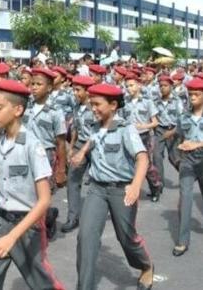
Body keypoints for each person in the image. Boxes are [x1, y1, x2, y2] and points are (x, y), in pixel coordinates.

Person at [0, 79, 65, 290]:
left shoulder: (32, 146)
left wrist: (13, 237)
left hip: (28, 226)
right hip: (0, 221)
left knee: (41, 282)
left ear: (18, 110)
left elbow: (44, 200)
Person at [73, 83, 154, 290]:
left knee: (126, 237)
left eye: (98, 104)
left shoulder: (126, 129)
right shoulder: (94, 126)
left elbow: (142, 158)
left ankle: (145, 265)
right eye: (91, 104)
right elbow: (93, 140)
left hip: (122, 189)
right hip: (97, 189)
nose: (93, 108)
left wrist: (136, 186)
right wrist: (82, 152)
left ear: (113, 105)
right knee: (86, 237)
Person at [24, 67, 66, 239]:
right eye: (32, 83)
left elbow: (61, 142)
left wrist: (61, 169)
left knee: (43, 192)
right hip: (27, 154)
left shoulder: (55, 112)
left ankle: (43, 224)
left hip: (46, 156)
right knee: (29, 191)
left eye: (39, 84)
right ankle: (46, 217)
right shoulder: (26, 107)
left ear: (49, 88)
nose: (34, 87)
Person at [173, 78, 203, 256]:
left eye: (197, 94)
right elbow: (180, 135)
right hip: (188, 161)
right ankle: (183, 241)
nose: (192, 97)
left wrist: (198, 144)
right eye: (190, 94)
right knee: (185, 198)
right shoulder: (183, 116)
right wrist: (182, 146)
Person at [62, 75, 95, 234]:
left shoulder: (95, 106)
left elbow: (98, 132)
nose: (74, 93)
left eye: (78, 90)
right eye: (74, 89)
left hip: (96, 147)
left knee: (100, 183)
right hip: (80, 144)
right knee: (73, 180)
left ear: (88, 91)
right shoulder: (76, 106)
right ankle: (73, 217)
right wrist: (72, 147)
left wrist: (83, 151)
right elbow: (75, 128)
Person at [122, 73, 162, 202]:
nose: (129, 88)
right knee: (128, 163)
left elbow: (155, 122)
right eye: (127, 86)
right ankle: (131, 189)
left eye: (132, 85)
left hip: (144, 136)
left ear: (139, 85)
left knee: (147, 165)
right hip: (129, 136)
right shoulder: (125, 103)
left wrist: (143, 125)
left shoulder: (147, 102)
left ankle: (155, 187)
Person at [152, 75, 182, 185]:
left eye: (165, 86)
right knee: (156, 156)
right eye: (161, 86)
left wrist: (173, 131)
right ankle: (158, 184)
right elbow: (153, 116)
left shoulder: (177, 101)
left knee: (173, 158)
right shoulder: (156, 101)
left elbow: (182, 119)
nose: (163, 88)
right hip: (159, 130)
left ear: (171, 87)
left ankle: (187, 174)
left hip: (173, 130)